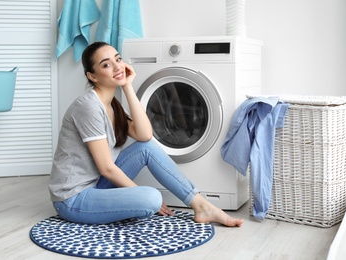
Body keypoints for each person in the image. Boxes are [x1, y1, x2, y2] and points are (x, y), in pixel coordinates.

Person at [49, 42, 244, 227]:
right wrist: (138, 193)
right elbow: (107, 168)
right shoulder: (89, 107)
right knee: (151, 198)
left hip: (97, 185)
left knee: (146, 148)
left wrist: (127, 86)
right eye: (106, 65)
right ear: (93, 76)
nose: (117, 67)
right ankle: (149, 200)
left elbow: (145, 136)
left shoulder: (111, 105)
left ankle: (202, 206)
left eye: (118, 59)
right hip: (73, 198)